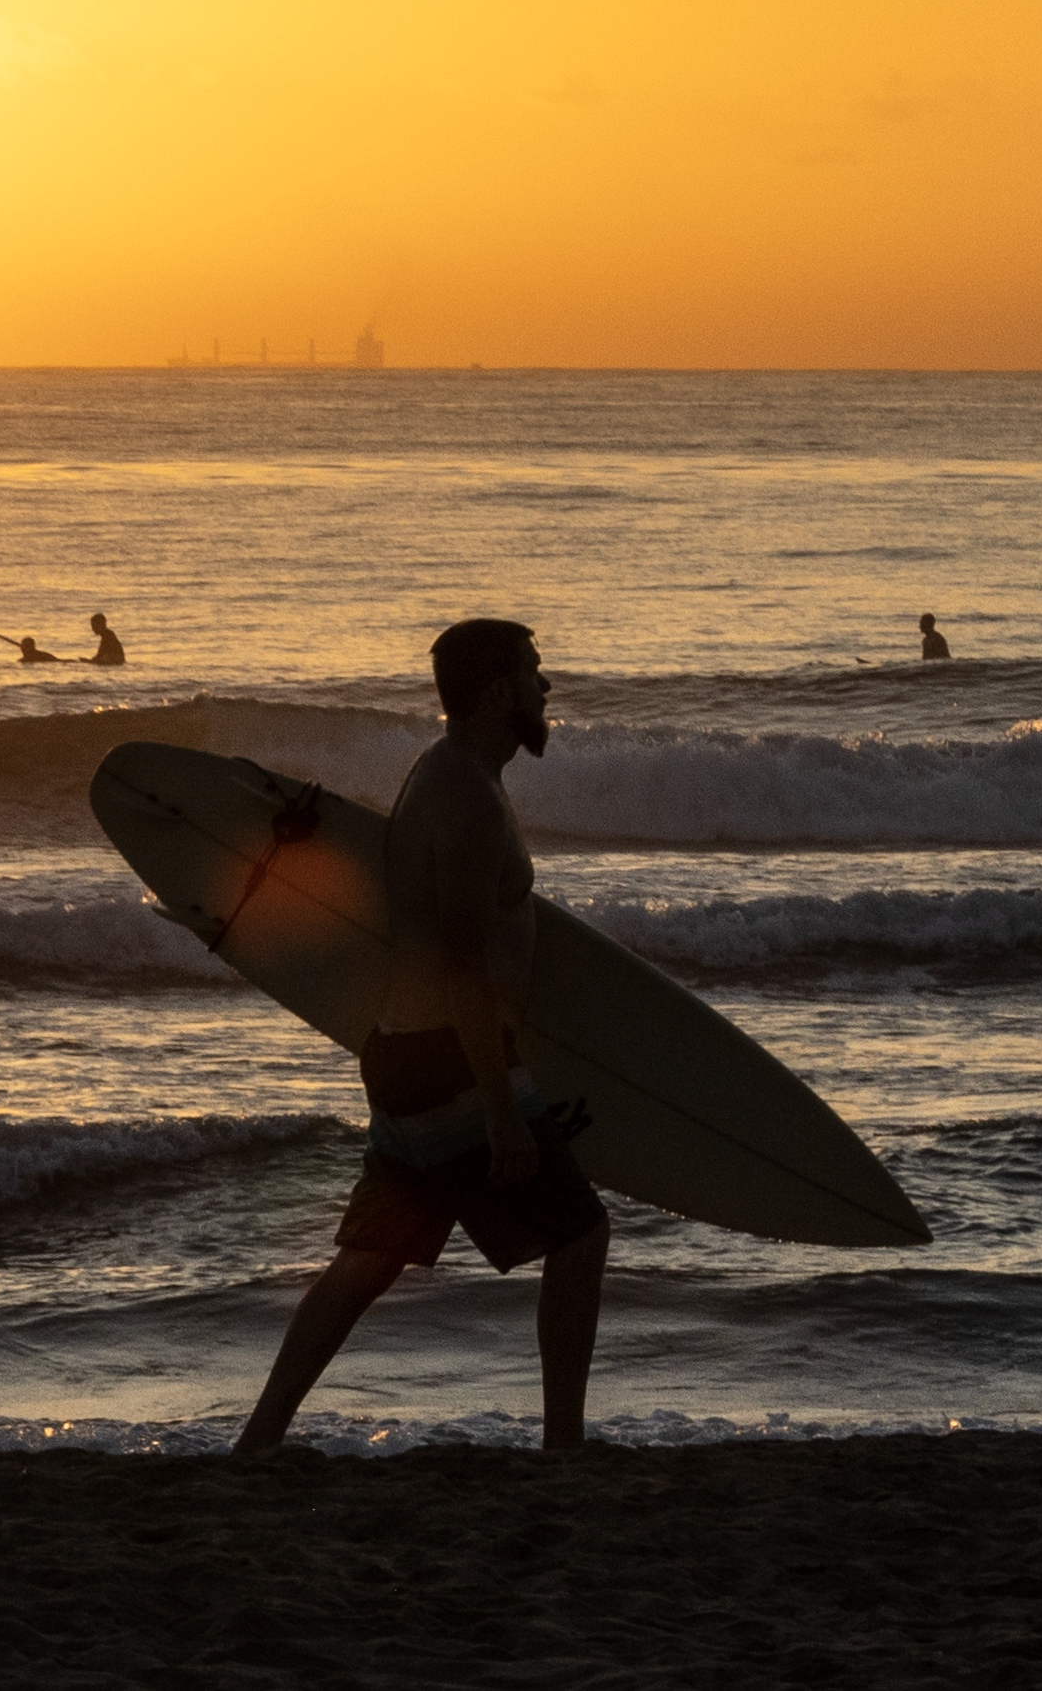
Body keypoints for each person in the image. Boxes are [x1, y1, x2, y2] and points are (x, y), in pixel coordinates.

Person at [233, 617, 609, 1455]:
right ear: (500, 692)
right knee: (580, 1232)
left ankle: (259, 1440)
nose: (548, 688)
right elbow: (464, 961)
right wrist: (501, 1111)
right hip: (454, 1060)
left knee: (373, 1254)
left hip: (403, 1053)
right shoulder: (468, 800)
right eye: (536, 673)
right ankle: (565, 1447)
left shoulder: (446, 774)